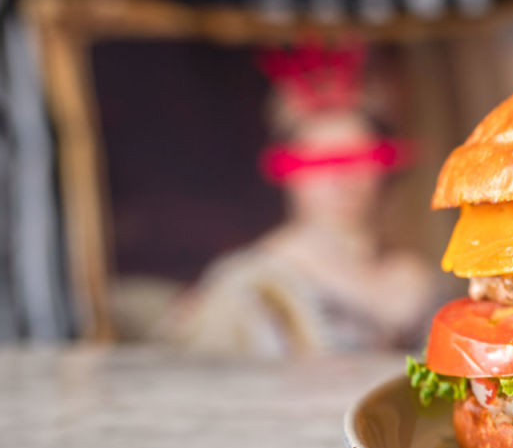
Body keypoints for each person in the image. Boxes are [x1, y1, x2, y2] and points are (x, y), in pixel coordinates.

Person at [165, 39, 436, 356]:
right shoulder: (252, 284)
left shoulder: (415, 276)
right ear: (288, 173)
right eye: (319, 163)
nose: (340, 180)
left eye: (356, 160)